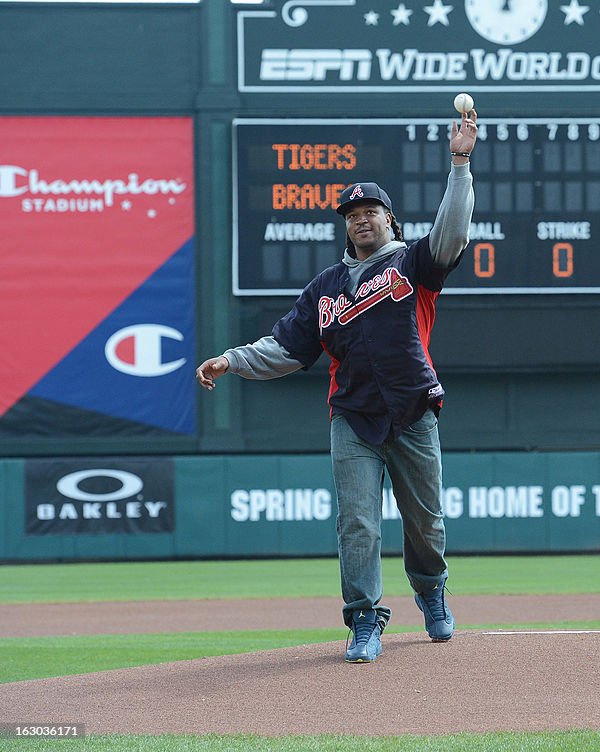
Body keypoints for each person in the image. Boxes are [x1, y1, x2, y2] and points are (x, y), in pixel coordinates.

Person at [196, 108, 479, 663]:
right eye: (352, 214)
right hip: (352, 416)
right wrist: (230, 360)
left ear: (390, 221)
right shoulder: (323, 288)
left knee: (425, 521)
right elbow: (284, 348)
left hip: (412, 409)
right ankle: (365, 620)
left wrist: (460, 164)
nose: (361, 219)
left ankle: (430, 589)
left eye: (371, 210)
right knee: (357, 524)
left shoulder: (416, 264)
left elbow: (452, 233)